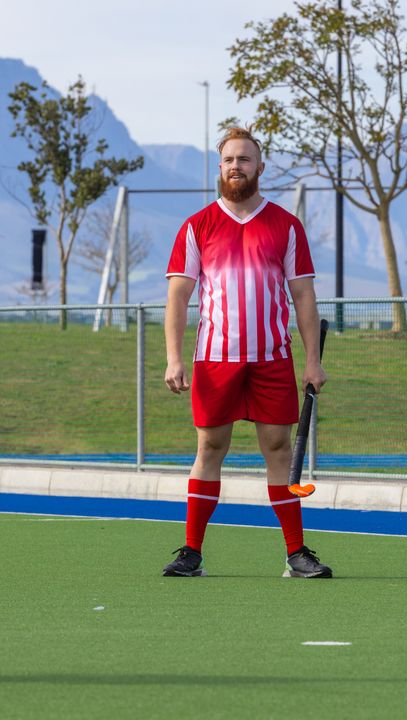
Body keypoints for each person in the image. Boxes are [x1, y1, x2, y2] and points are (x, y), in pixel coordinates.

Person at [161, 126, 331, 579]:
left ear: (260, 167)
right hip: (215, 360)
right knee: (210, 446)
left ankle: (296, 554)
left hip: (272, 358)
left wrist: (313, 360)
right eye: (229, 160)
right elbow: (178, 297)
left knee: (277, 449)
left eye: (245, 160)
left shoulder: (286, 225)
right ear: (220, 168)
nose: (236, 167)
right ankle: (191, 553)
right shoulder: (197, 226)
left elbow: (305, 298)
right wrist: (174, 358)